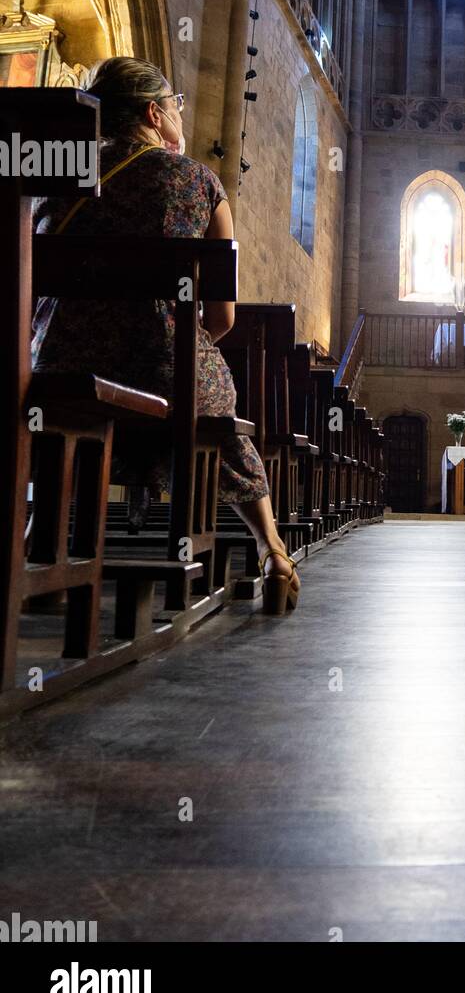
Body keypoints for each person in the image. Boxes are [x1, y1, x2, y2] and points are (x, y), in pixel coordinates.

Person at [31, 56, 300, 615]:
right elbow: (221, 317)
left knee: (76, 409)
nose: (179, 113)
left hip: (61, 369)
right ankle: (272, 551)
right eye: (176, 105)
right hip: (163, 369)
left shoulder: (56, 178)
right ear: (155, 113)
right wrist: (184, 342)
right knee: (216, 411)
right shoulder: (198, 181)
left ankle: (47, 548)